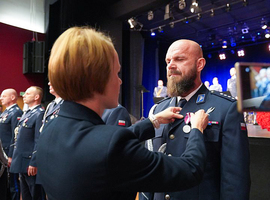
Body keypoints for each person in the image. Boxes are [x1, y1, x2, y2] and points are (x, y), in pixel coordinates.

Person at [36, 27, 210, 200]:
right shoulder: (109, 147)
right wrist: (196, 130)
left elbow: (101, 144)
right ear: (98, 79)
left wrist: (153, 121)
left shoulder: (51, 128)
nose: (119, 81)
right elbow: (190, 170)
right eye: (116, 73)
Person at [140, 39, 250, 200]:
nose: (170, 66)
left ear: (199, 64)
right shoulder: (158, 110)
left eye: (179, 59)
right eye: (168, 61)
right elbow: (149, 170)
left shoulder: (226, 109)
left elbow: (235, 179)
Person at [10, 86, 45, 200]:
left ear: (36, 97)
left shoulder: (39, 113)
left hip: (30, 162)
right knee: (25, 195)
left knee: (35, 195)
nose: (24, 95)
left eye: (27, 93)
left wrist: (34, 162)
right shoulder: (27, 113)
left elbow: (38, 139)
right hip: (22, 161)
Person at [0, 88, 23, 200]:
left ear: (13, 97)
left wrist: (11, 155)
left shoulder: (16, 112)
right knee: (6, 183)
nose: (1, 98)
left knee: (13, 183)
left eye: (3, 96)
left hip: (8, 153)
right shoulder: (6, 112)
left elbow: (16, 136)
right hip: (2, 153)